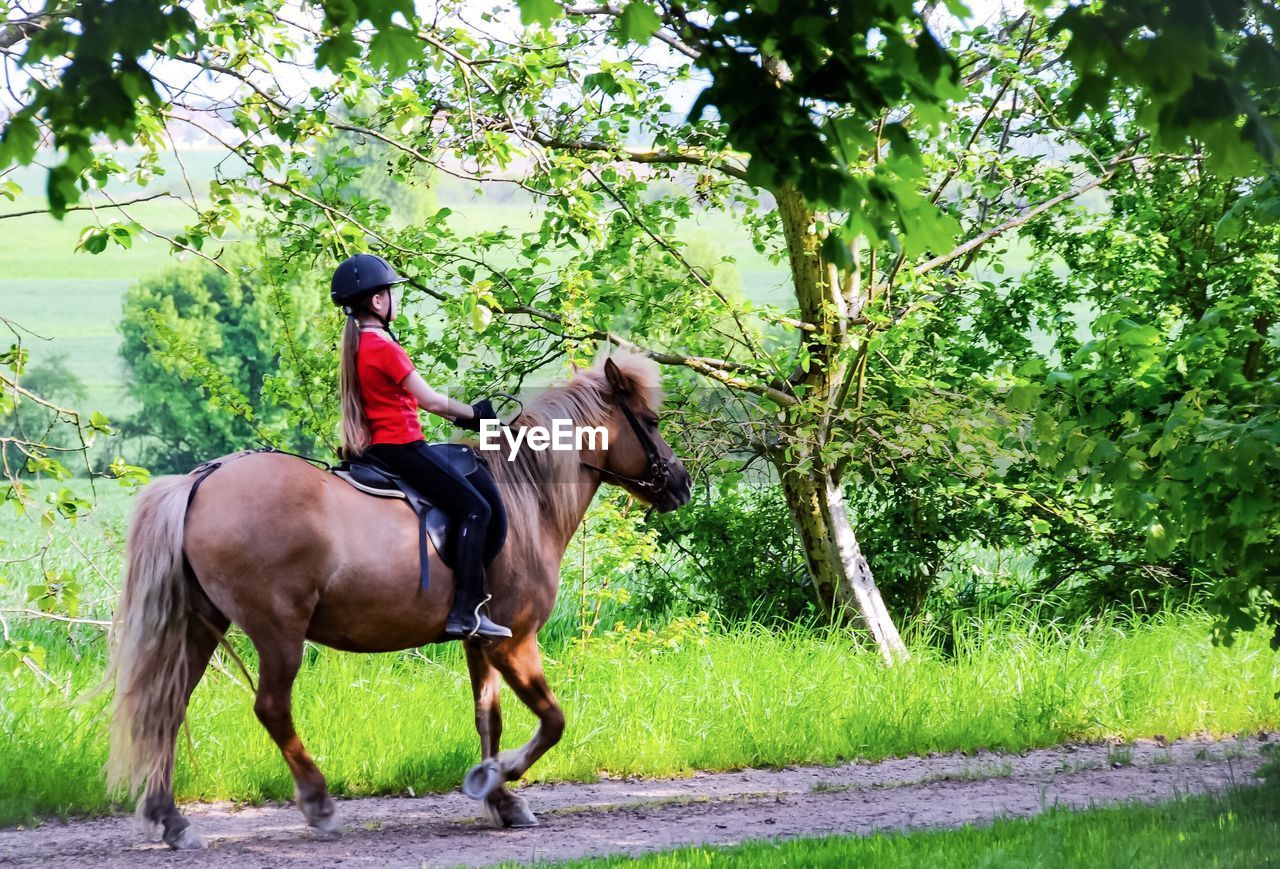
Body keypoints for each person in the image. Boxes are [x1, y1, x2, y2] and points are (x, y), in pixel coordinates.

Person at [330, 253, 511, 640]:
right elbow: (430, 401)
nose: (397, 300)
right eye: (391, 294)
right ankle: (466, 612)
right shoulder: (384, 348)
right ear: (377, 302)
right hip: (403, 446)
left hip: (378, 449)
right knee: (475, 509)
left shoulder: (357, 344)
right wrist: (476, 415)